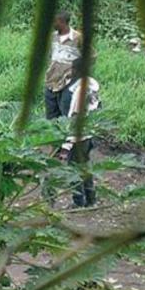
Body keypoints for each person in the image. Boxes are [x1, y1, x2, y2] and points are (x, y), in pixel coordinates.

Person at [62, 58, 100, 207]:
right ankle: (91, 199)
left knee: (74, 169)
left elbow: (75, 117)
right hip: (90, 133)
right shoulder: (93, 86)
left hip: (79, 136)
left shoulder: (80, 91)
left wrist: (67, 145)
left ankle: (78, 202)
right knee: (85, 167)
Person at [44, 11, 81, 119]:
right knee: (51, 115)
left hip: (69, 82)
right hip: (52, 80)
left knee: (66, 111)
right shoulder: (52, 37)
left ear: (63, 22)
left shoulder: (77, 38)